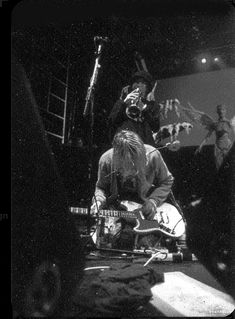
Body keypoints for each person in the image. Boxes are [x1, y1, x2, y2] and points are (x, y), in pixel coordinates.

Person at [90, 130, 174, 249]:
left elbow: (167, 180)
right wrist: (98, 201)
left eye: (137, 162)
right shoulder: (106, 160)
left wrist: (153, 201)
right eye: (129, 164)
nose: (133, 169)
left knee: (145, 245)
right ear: (117, 157)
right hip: (119, 209)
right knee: (108, 243)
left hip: (145, 210)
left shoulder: (153, 155)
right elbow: (101, 187)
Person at [108, 70, 160, 147]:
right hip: (125, 145)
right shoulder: (121, 102)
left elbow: (155, 127)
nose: (138, 85)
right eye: (136, 82)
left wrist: (144, 108)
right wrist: (124, 103)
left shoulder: (152, 105)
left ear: (148, 88)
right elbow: (111, 121)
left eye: (143, 83)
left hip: (145, 145)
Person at [196, 104, 234, 169]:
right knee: (219, 167)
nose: (221, 112)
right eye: (219, 110)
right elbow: (208, 136)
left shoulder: (229, 123)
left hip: (228, 146)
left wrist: (231, 146)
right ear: (217, 112)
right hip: (218, 148)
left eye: (223, 110)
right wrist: (200, 146)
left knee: (230, 166)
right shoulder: (215, 124)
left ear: (225, 111)